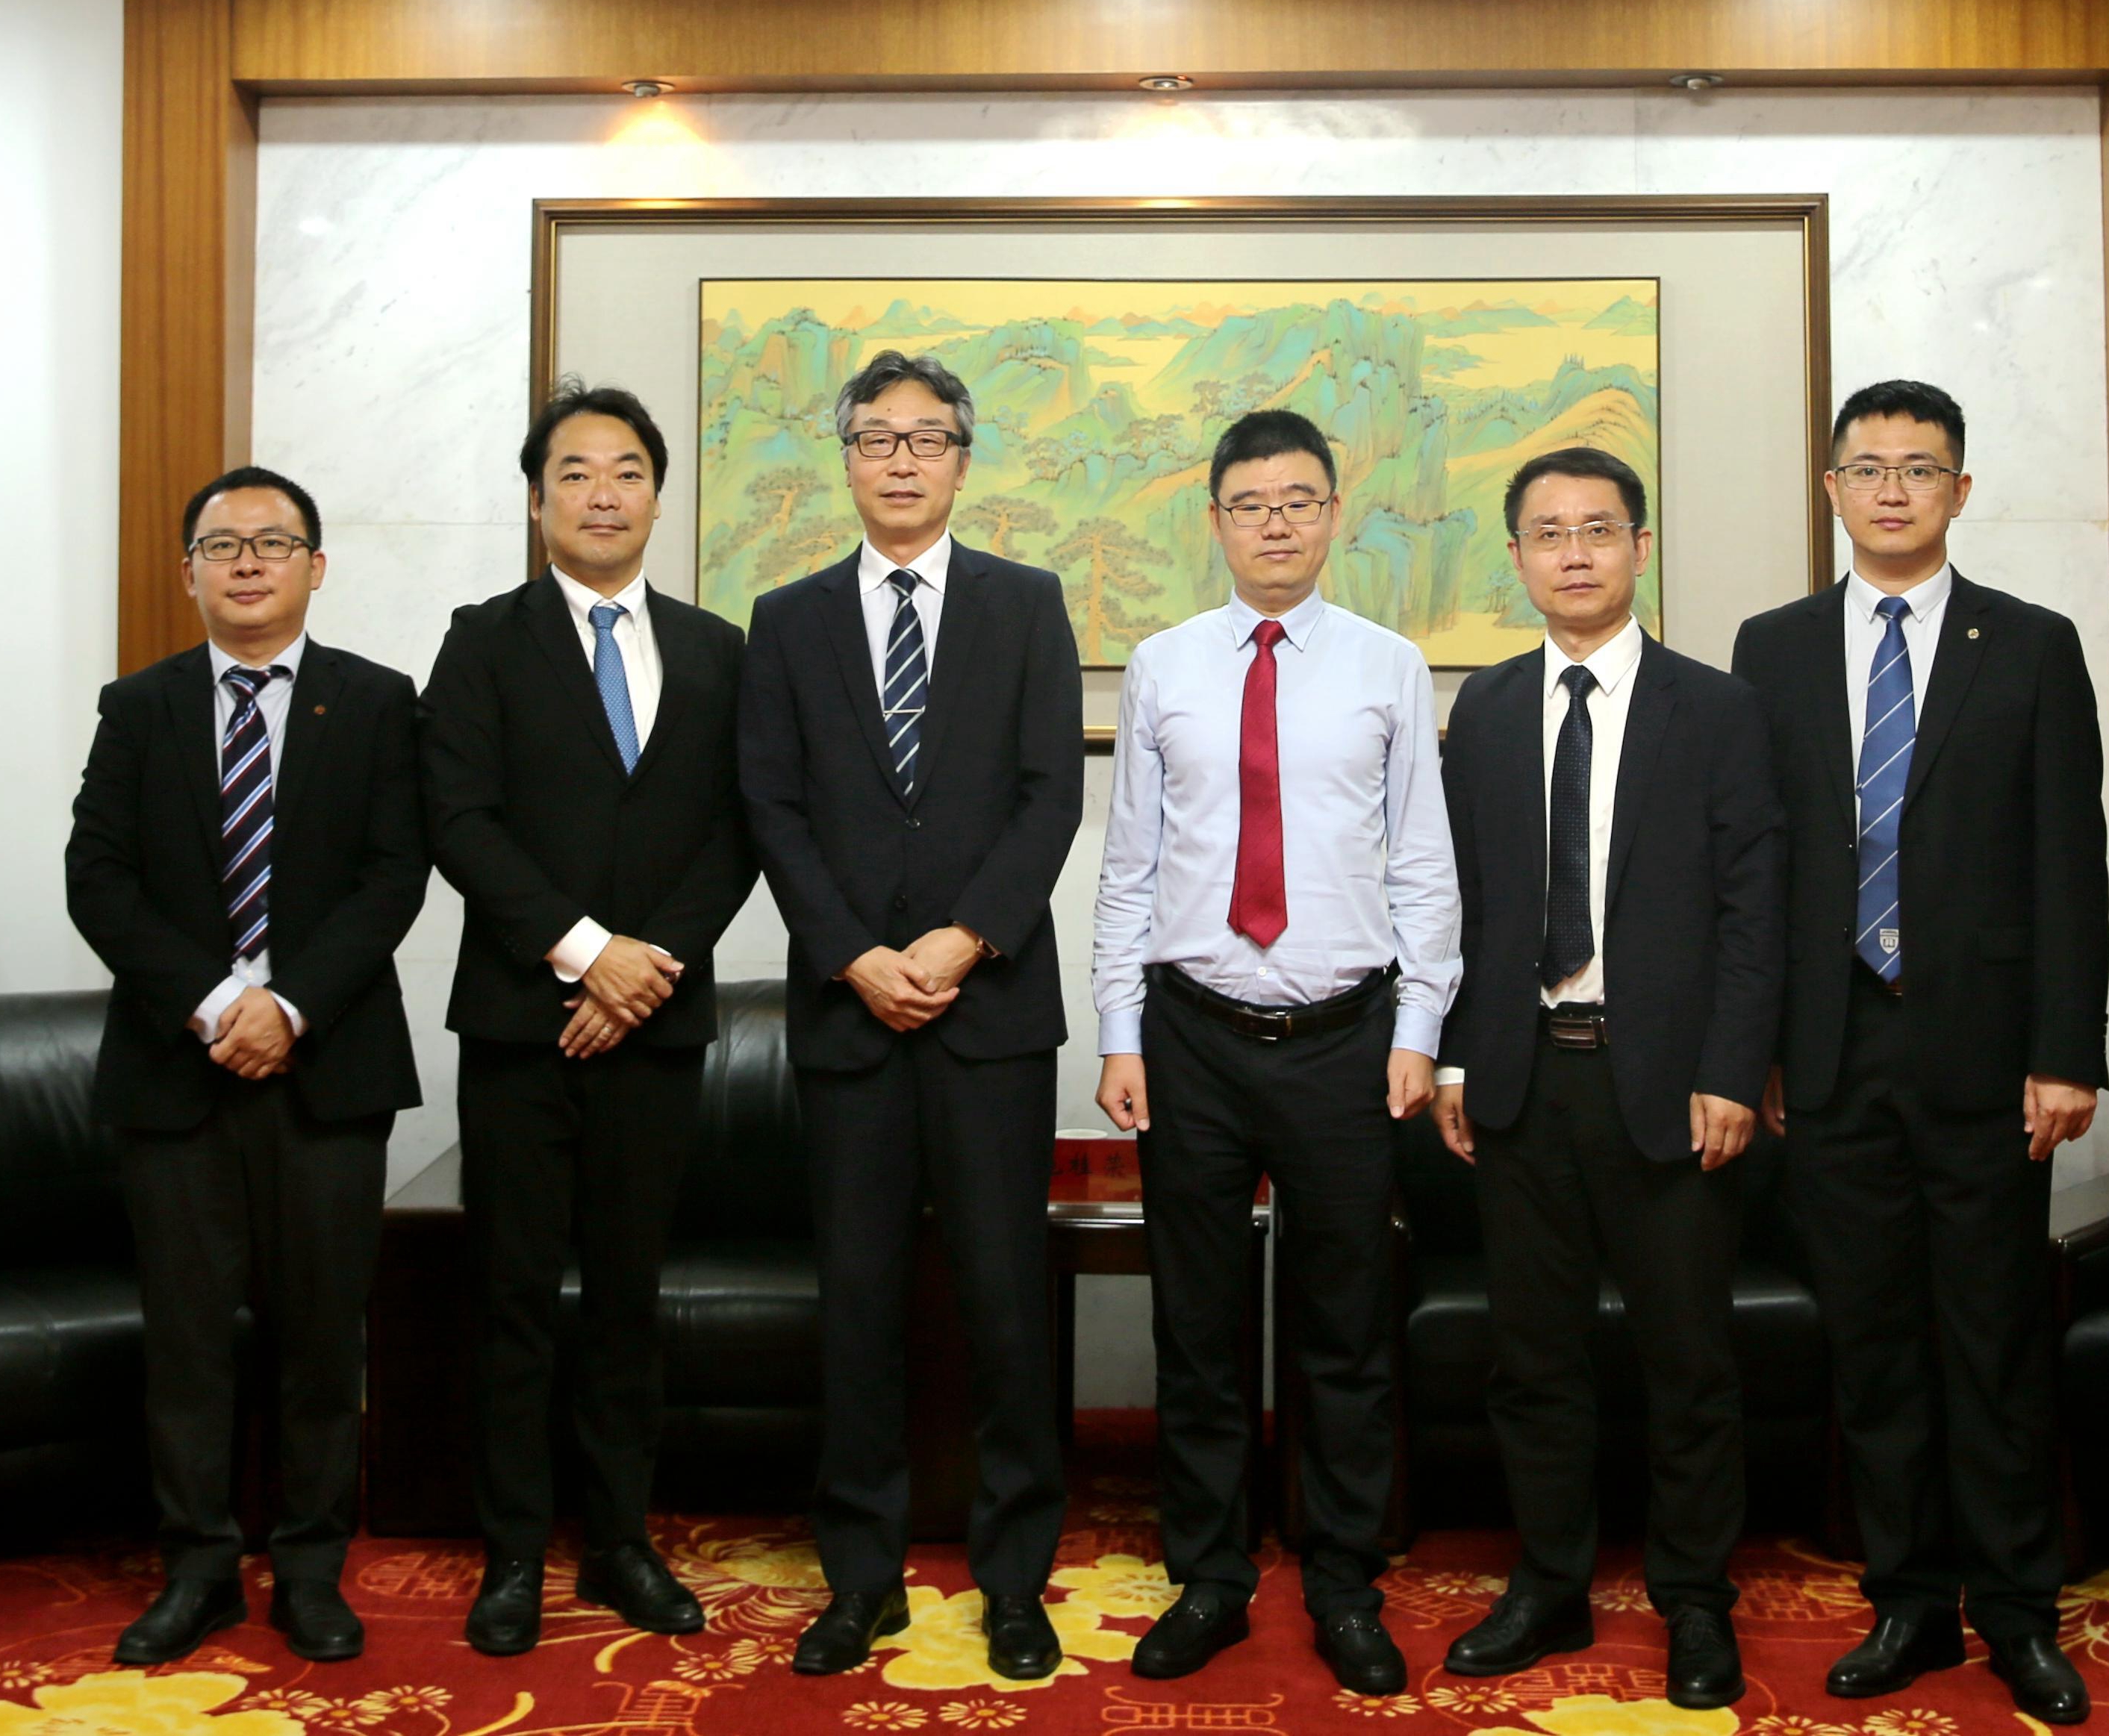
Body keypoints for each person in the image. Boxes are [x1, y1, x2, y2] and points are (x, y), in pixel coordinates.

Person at [1731, 380, 2107, 1726]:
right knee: (1875, 1343)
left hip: (1988, 1055)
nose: (1893, 489)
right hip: (1832, 1047)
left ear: (1961, 489)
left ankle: (2017, 1611)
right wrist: (1763, 1045)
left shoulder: (2033, 644)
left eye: (1921, 467)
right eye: (1869, 467)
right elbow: (1760, 862)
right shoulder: (1773, 647)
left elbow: (2071, 858)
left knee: (1993, 1340)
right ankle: (1908, 1603)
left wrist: (2067, 1051)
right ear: (1832, 486)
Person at [1091, 408, 1461, 1699]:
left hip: (1345, 1041)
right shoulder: (1163, 665)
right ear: (1216, 521)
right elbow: (1129, 866)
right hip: (1191, 1034)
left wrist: (1419, 1029)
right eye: (1250, 504)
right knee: (1196, 1327)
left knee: (1345, 1329)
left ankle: (1345, 1580)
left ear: (1334, 513)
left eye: (1300, 500)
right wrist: (1121, 1032)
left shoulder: (1388, 666)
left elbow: (1423, 863)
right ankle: (1210, 1575)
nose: (1276, 524)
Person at [738, 352, 1084, 1681]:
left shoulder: (1026, 603)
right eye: (875, 437)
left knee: (1006, 1308)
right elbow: (771, 802)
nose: (900, 458)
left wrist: (963, 935)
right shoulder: (788, 618)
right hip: (850, 1019)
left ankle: (1016, 1580)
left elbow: (1051, 792)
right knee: (859, 1308)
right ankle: (861, 1578)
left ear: (962, 459)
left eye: (925, 437)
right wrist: (851, 954)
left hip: (990, 1013)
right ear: (846, 459)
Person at [1427, 448, 1784, 1710]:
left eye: (1597, 528)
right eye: (1548, 532)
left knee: (1689, 1360)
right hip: (1524, 1075)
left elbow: (1755, 906)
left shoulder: (1716, 708)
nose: (1573, 552)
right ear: (1516, 557)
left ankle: (1694, 1599)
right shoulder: (1484, 709)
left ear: (1640, 545)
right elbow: (1462, 900)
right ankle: (1550, 1582)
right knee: (1533, 1359)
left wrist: (1733, 1068)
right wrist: (1458, 1051)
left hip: (1672, 1084)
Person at [66, 466, 429, 1667]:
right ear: (190, 573)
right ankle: (200, 1568)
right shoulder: (140, 707)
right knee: (187, 1339)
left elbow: (395, 874)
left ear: (316, 566)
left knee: (323, 1334)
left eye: (274, 542)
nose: (249, 562)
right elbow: (98, 879)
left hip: (330, 1069)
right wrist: (223, 1001)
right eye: (223, 545)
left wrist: (292, 1005)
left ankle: (313, 1568)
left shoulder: (377, 701)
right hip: (177, 1073)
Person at [421, 384, 758, 1655]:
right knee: (512, 1295)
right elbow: (458, 816)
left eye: (626, 471)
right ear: (536, 500)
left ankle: (620, 1539)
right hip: (523, 1022)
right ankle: (513, 1551)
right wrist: (584, 952)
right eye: (575, 472)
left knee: (628, 1296)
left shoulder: (718, 649)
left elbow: (742, 825)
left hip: (654, 1026)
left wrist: (647, 965)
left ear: (658, 497)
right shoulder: (482, 641)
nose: (602, 492)